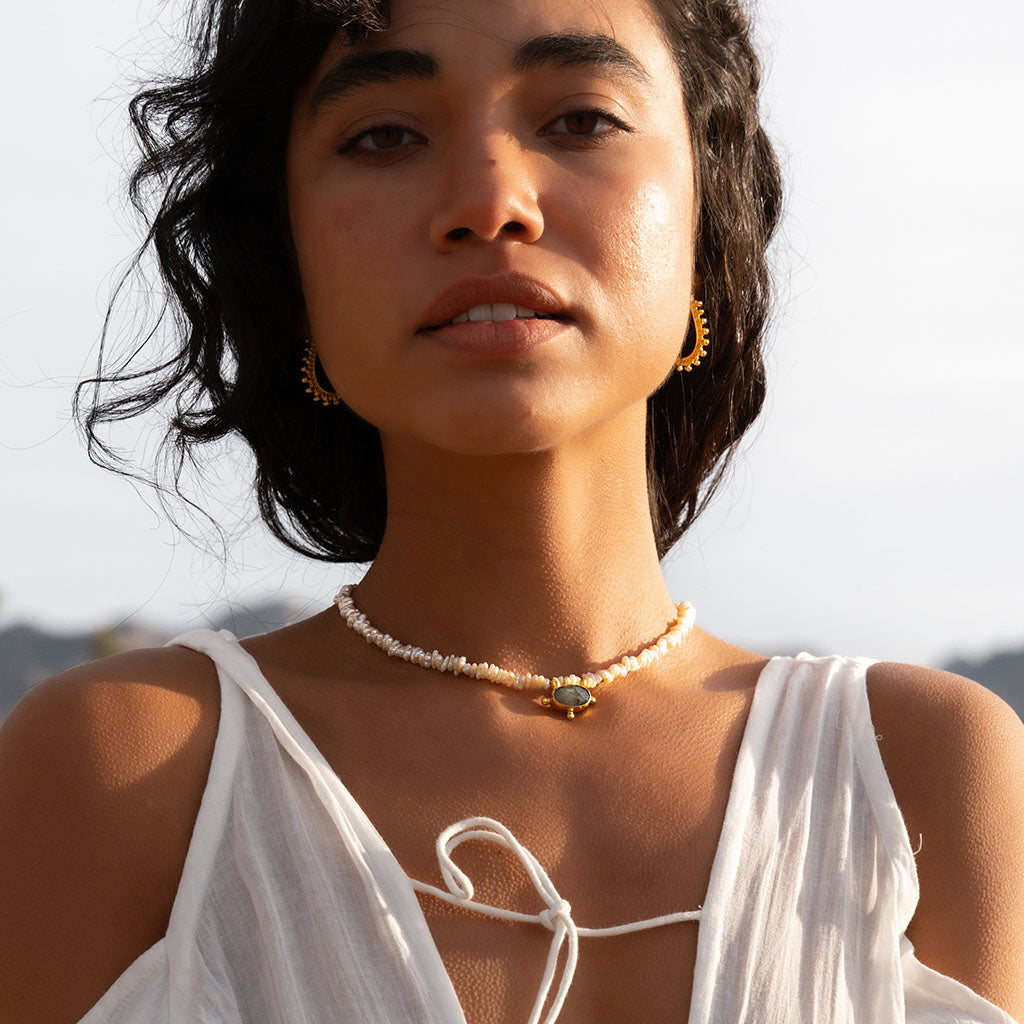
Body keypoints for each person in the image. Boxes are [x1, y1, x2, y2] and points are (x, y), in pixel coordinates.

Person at [1, 0, 1022, 1020]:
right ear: (290, 263)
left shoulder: (919, 772)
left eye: (579, 119)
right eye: (384, 135)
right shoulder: (130, 771)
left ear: (710, 211)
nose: (490, 203)